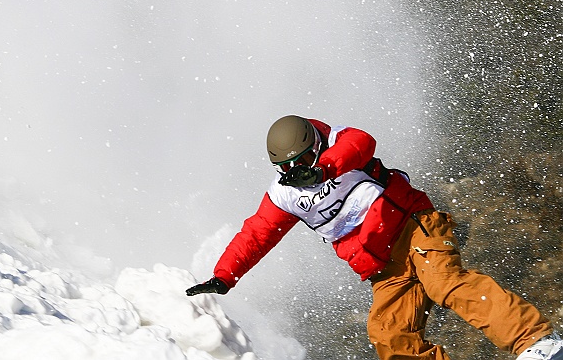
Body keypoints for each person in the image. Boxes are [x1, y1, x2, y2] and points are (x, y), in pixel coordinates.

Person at [186, 115, 563, 360]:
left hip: (415, 229)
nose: (293, 171)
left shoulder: (340, 143)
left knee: (444, 283)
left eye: (299, 162)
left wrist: (323, 170)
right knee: (387, 333)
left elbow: (362, 143)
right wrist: (225, 275)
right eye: (284, 167)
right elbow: (257, 233)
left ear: (314, 147)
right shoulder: (285, 193)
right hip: (384, 268)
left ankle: (536, 343)